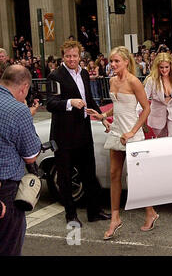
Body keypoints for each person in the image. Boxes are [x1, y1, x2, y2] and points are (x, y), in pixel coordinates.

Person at [87, 46, 157, 239]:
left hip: (132, 134)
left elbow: (146, 109)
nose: (113, 64)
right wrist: (103, 115)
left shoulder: (134, 82)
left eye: (117, 61)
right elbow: (117, 106)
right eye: (112, 61)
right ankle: (115, 219)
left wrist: (133, 131)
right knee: (114, 174)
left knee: (137, 176)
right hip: (117, 131)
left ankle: (150, 212)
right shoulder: (111, 81)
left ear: (127, 62)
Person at [46, 40, 111, 227]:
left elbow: (88, 100)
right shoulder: (55, 76)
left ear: (80, 55)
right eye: (68, 56)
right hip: (63, 135)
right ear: (63, 56)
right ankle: (71, 215)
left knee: (89, 173)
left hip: (83, 131)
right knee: (65, 177)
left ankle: (94, 211)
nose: (72, 59)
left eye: (75, 56)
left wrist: (102, 117)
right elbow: (51, 103)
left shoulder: (83, 73)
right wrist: (69, 102)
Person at [0, 65, 41, 256]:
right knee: (8, 246)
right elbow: (31, 154)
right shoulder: (18, 110)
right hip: (5, 190)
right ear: (24, 87)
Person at [143, 52, 172, 138]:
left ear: (171, 66)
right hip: (157, 114)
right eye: (161, 67)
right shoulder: (151, 80)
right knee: (161, 142)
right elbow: (144, 98)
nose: (164, 70)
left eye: (166, 67)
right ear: (157, 67)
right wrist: (137, 113)